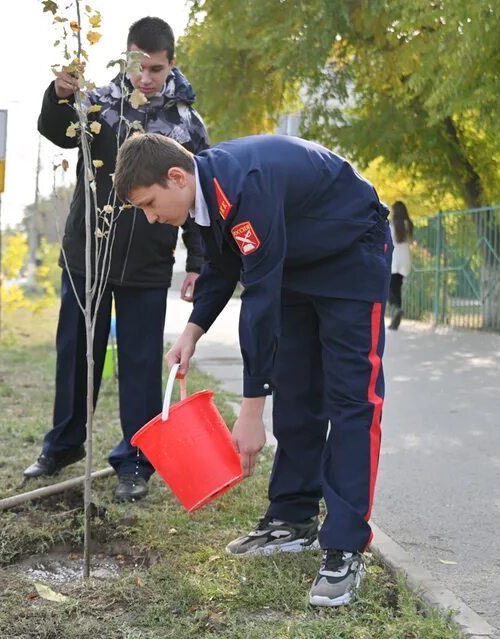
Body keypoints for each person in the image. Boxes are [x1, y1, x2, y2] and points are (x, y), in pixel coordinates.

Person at [113, 132, 391, 607]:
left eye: (150, 203)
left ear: (176, 177)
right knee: (298, 393)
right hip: (297, 266)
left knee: (351, 401)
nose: (151, 217)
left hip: (351, 258)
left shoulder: (246, 187)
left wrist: (249, 409)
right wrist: (193, 330)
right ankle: (291, 518)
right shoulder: (204, 195)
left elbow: (259, 298)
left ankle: (344, 545)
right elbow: (224, 268)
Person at [25, 17, 209, 502]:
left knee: (142, 361)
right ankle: (63, 444)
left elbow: (197, 195)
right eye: (138, 66)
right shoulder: (99, 103)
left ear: (171, 64)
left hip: (149, 264)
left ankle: (136, 459)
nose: (146, 77)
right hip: (88, 254)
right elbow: (57, 132)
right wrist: (60, 94)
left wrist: (197, 260)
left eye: (156, 68)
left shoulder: (187, 123)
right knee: (76, 353)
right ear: (126, 59)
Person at [388, 201, 413, 330]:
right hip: (405, 258)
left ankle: (396, 309)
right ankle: (395, 320)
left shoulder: (392, 225)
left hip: (394, 258)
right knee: (397, 288)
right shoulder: (408, 224)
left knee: (389, 289)